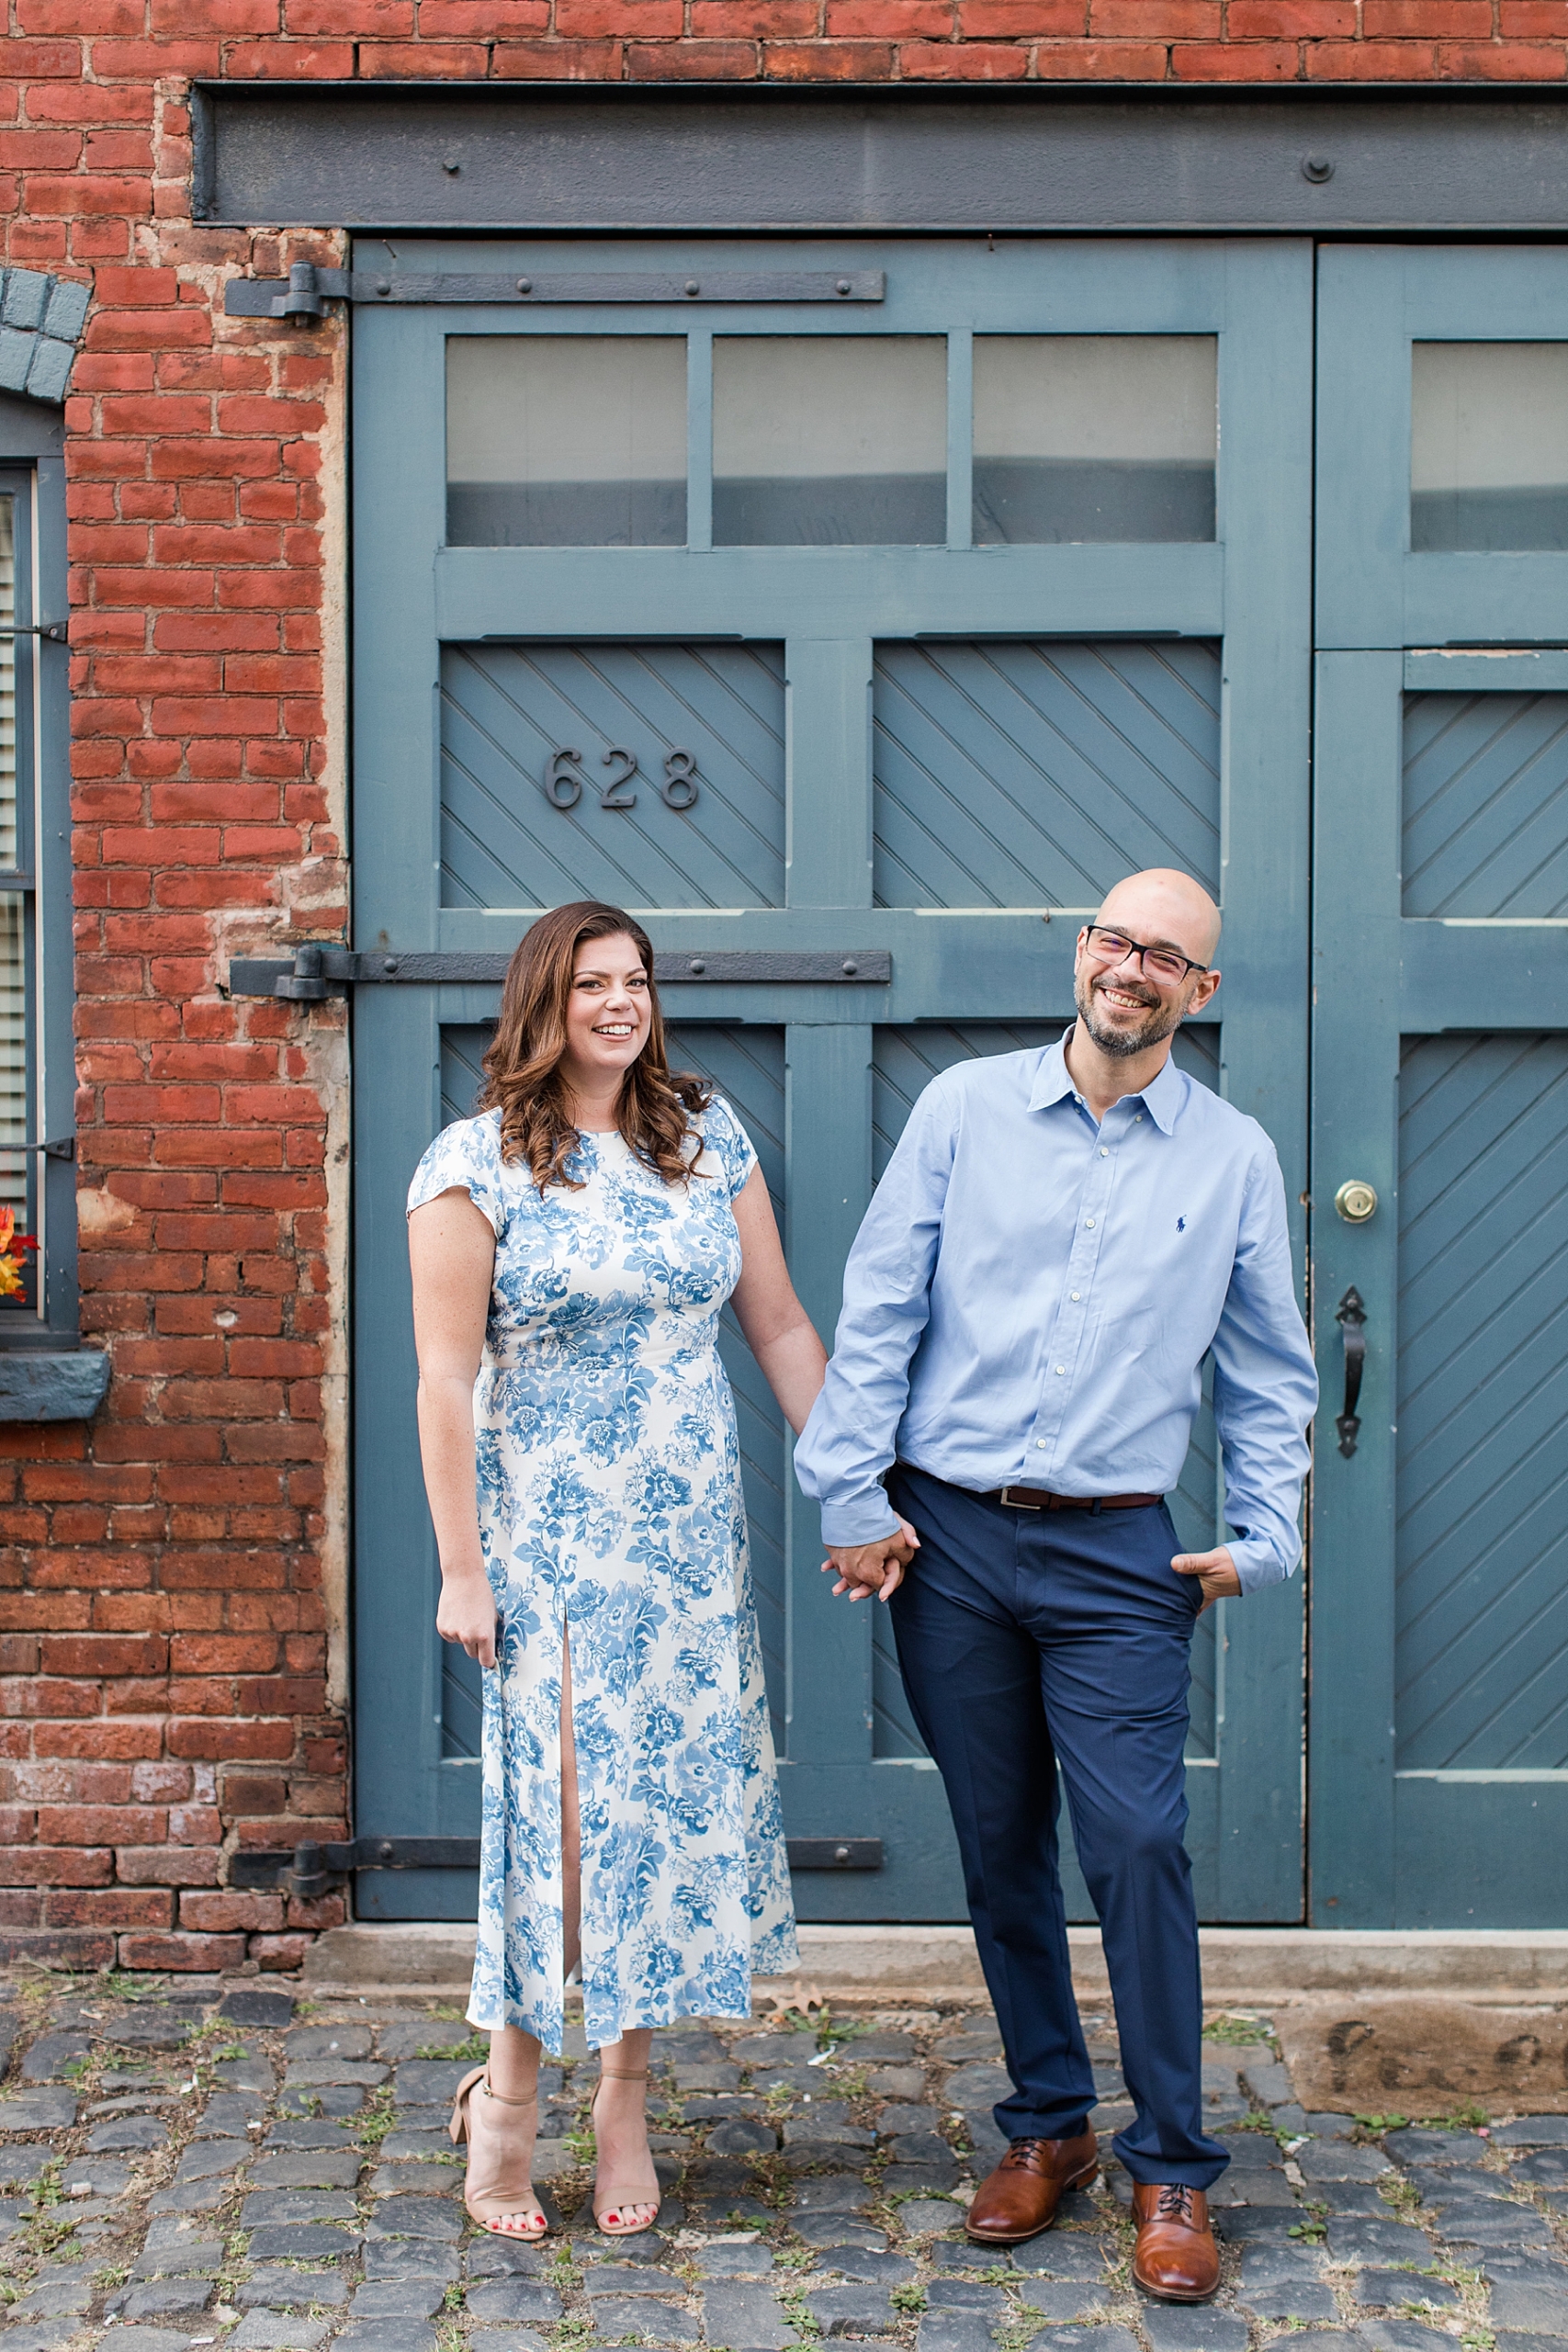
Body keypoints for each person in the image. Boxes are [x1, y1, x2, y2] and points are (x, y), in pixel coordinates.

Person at [794, 868, 1317, 2302]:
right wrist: (852, 1491)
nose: (1131, 968)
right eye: (1115, 939)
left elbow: (1271, 1371)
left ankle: (1172, 2167)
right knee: (998, 1842)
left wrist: (1261, 1533)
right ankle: (1047, 2126)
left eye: (1166, 956)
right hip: (948, 1541)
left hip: (1119, 1554)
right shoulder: (965, 1109)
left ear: (1199, 994)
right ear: (1081, 952)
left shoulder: (1234, 1159)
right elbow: (881, 1303)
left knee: (1139, 1845)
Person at [407, 899, 824, 2241]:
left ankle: (625, 2103)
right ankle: (508, 2107)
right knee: (565, 1846)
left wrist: (860, 1484)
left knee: (658, 1829)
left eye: (635, 979)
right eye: (593, 982)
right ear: (545, 1000)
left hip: (688, 1554)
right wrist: (461, 1569)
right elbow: (443, 1381)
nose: (619, 1002)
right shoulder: (472, 1168)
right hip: (549, 1555)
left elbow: (779, 1325)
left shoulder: (707, 1144)